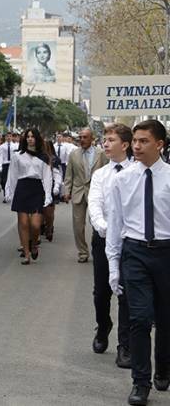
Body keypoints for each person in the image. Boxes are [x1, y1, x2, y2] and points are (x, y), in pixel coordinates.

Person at [106, 119, 170, 405]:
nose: (137, 146)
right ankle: (140, 383)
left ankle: (164, 368)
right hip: (135, 253)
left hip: (167, 253)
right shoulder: (122, 179)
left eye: (144, 141)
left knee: (166, 320)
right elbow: (115, 223)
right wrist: (113, 266)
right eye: (135, 140)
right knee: (140, 319)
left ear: (160, 144)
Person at [88, 123, 132, 369]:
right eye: (104, 139)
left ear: (124, 144)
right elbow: (95, 204)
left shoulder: (137, 172)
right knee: (102, 291)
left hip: (130, 241)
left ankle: (124, 345)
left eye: (111, 139)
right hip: (103, 238)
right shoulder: (101, 174)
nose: (105, 143)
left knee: (126, 292)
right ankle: (103, 326)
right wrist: (105, 227)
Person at [5, 129, 52, 265]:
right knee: (24, 223)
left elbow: (47, 177)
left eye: (32, 137)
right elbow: (12, 175)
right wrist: (10, 193)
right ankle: (26, 254)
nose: (30, 139)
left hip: (37, 189)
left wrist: (48, 194)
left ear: (37, 139)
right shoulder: (18, 155)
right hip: (22, 189)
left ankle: (34, 245)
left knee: (36, 225)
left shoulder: (43, 156)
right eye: (28, 137)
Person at [63, 128, 108, 263]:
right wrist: (67, 191)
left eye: (85, 137)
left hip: (97, 193)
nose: (82, 140)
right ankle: (82, 252)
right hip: (79, 193)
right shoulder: (74, 154)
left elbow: (107, 173)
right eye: (80, 137)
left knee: (97, 223)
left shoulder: (102, 154)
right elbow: (69, 175)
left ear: (92, 138)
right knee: (78, 225)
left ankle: (97, 249)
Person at [0, 132, 18, 199]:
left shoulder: (15, 146)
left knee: (13, 179)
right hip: (5, 164)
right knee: (4, 180)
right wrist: (0, 165)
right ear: (5, 137)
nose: (9, 138)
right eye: (7, 136)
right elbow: (0, 156)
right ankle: (5, 195)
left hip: (13, 164)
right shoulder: (2, 146)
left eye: (10, 136)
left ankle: (12, 194)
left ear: (12, 137)